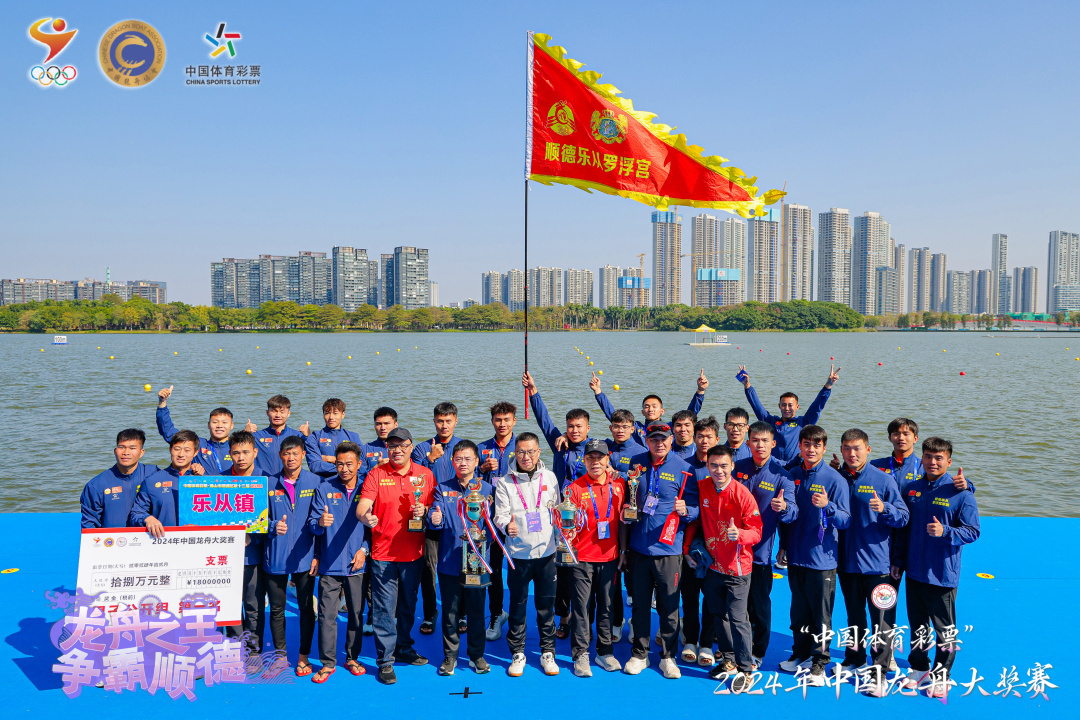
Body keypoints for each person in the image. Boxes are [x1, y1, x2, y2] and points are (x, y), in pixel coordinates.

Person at [891, 437, 979, 698]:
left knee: (944, 629)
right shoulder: (912, 489)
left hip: (942, 573)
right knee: (917, 624)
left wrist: (946, 531)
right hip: (914, 571)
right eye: (928, 457)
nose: (932, 462)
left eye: (939, 458)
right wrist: (898, 560)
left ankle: (942, 675)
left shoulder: (961, 493)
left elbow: (973, 531)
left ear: (948, 461)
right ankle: (919, 668)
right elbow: (903, 530)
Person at [357, 428, 435, 684]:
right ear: (386, 449)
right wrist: (365, 517)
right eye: (392, 446)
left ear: (412, 447)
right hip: (384, 554)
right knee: (383, 609)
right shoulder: (377, 474)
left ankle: (403, 646)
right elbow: (363, 506)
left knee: (408, 605)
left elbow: (435, 508)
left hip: (414, 554)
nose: (397, 450)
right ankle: (385, 660)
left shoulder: (425, 475)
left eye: (402, 445)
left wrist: (425, 511)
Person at [834, 428, 908, 697]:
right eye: (846, 448)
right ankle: (854, 659)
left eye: (857, 448)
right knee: (854, 616)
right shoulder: (837, 477)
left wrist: (885, 509)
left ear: (868, 450)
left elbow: (903, 517)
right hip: (847, 563)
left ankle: (879, 672)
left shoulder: (883, 480)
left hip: (878, 566)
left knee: (881, 622)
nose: (851, 453)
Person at [623, 421, 698, 679]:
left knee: (669, 606)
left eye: (663, 439)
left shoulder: (685, 469)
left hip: (668, 550)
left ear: (671, 439)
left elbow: (696, 507)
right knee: (640, 605)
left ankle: (668, 656)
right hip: (639, 549)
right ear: (646, 441)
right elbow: (627, 496)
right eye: (654, 439)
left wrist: (687, 511)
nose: (659, 443)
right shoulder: (636, 463)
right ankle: (639, 654)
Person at [686, 445, 762, 694]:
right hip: (712, 566)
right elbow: (694, 520)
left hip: (737, 569)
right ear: (707, 466)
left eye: (724, 466)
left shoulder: (742, 494)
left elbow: (757, 531)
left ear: (732, 466)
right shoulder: (702, 487)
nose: (719, 470)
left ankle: (746, 670)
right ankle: (728, 660)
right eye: (714, 465)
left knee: (738, 619)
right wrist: (687, 549)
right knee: (718, 614)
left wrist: (740, 534)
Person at [522, 370, 592, 640]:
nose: (574, 431)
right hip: (560, 519)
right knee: (561, 569)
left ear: (587, 428)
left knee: (584, 569)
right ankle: (564, 616)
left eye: (579, 427)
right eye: (570, 426)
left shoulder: (596, 449)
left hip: (586, 518)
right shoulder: (559, 445)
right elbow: (544, 420)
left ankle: (585, 616)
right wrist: (533, 391)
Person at [779, 425, 850, 687]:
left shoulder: (835, 479)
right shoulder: (792, 475)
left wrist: (827, 506)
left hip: (822, 559)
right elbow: (787, 518)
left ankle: (819, 662)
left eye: (817, 445)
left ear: (824, 448)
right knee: (798, 611)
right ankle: (800, 653)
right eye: (807, 444)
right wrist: (784, 545)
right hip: (796, 556)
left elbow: (845, 519)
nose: (811, 449)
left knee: (821, 615)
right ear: (800, 446)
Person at [492, 432, 562, 678]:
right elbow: (499, 515)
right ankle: (518, 653)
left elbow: (557, 510)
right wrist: (506, 526)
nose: (526, 457)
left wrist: (563, 533)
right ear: (515, 454)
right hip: (518, 554)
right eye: (521, 452)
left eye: (531, 451)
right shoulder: (504, 482)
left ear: (538, 452)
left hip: (547, 553)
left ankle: (547, 652)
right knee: (518, 605)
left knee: (546, 606)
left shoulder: (550, 477)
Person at [732, 421, 797, 671]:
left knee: (758, 605)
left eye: (765, 441)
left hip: (759, 553)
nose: (760, 445)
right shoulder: (736, 468)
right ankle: (732, 647)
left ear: (773, 444)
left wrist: (785, 508)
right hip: (731, 549)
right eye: (755, 440)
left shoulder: (782, 476)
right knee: (733, 603)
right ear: (748, 442)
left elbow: (793, 512)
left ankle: (757, 651)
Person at [427, 441, 494, 676]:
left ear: (476, 462)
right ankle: (450, 656)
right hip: (450, 560)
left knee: (476, 610)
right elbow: (435, 514)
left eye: (467, 459)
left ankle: (477, 655)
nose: (463, 463)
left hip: (477, 562)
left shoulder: (487, 490)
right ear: (452, 461)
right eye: (458, 459)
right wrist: (434, 519)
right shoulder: (442, 489)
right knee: (450, 611)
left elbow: (494, 524)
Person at [564, 439, 627, 676]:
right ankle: (581, 654)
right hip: (582, 557)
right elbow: (567, 526)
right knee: (581, 608)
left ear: (607, 459)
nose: (595, 462)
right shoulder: (574, 488)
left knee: (607, 606)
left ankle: (604, 651)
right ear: (585, 460)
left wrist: (623, 551)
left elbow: (624, 522)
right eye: (590, 457)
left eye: (600, 457)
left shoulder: (620, 484)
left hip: (610, 557)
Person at [309, 441, 370, 683]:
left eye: (349, 464)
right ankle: (327, 662)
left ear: (359, 464)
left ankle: (352, 657)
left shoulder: (367, 489)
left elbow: (373, 528)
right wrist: (319, 523)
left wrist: (364, 550)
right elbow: (313, 525)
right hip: (330, 564)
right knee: (327, 615)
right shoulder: (325, 488)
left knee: (356, 614)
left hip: (357, 564)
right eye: (340, 464)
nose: (344, 469)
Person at [264, 435, 322, 677]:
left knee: (306, 609)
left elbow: (319, 522)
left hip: (305, 557)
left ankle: (303, 657)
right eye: (286, 454)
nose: (290, 458)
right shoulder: (268, 483)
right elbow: (256, 519)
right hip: (275, 556)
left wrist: (317, 555)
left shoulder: (315, 481)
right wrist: (272, 526)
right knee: (277, 610)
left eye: (295, 453)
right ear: (280, 455)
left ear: (303, 455)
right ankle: (280, 657)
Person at [412, 402, 463, 637]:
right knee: (429, 567)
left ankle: (460, 611)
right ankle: (430, 612)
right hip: (430, 515)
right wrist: (430, 460)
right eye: (440, 421)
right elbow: (413, 477)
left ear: (456, 421)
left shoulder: (463, 448)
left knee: (460, 562)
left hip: (456, 516)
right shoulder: (422, 449)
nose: (444, 425)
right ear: (434, 421)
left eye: (448, 421)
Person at [221, 430, 268, 657]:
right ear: (229, 454)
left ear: (255, 452)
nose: (241, 457)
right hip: (226, 555)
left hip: (254, 553)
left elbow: (270, 519)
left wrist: (252, 536)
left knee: (253, 604)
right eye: (236, 453)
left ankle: (253, 648)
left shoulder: (265, 480)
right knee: (230, 604)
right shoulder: (219, 481)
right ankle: (234, 644)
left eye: (246, 452)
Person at [737, 364, 841, 464]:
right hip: (775, 466)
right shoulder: (771, 422)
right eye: (783, 405)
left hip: (796, 466)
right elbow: (757, 407)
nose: (787, 408)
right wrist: (747, 386)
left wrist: (828, 386)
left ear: (797, 406)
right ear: (779, 406)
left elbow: (817, 406)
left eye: (790, 405)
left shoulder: (804, 423)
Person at [680, 415, 722, 666]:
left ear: (717, 439)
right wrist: (686, 548)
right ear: (693, 438)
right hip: (690, 540)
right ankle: (690, 639)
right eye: (700, 436)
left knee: (712, 595)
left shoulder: (723, 468)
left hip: (717, 543)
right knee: (690, 593)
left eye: (709, 437)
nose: (704, 440)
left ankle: (707, 643)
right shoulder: (684, 467)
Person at [477, 402, 518, 641]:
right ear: (492, 421)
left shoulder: (522, 446)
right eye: (498, 420)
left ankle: (518, 617)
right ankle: (496, 614)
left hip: (516, 518)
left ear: (514, 421)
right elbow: (469, 480)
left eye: (506, 420)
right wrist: (482, 469)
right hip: (489, 519)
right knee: (493, 568)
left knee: (518, 569)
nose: (502, 424)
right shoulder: (482, 448)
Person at [603, 407, 644, 643]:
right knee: (614, 576)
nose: (620, 430)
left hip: (633, 520)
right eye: (616, 426)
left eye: (625, 427)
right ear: (611, 428)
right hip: (610, 519)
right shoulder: (605, 448)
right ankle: (616, 620)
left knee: (635, 577)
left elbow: (642, 482)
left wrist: (618, 473)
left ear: (633, 428)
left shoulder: (641, 452)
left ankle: (636, 621)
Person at [590, 369, 708, 447]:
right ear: (642, 412)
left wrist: (700, 390)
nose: (650, 409)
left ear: (662, 411)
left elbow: (690, 415)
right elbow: (613, 416)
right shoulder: (636, 428)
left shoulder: (669, 427)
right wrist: (598, 392)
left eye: (654, 406)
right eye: (647, 407)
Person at [870, 417, 973, 495]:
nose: (901, 438)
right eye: (896, 434)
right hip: (885, 515)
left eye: (906, 434)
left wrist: (967, 484)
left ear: (915, 438)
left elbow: (945, 480)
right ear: (890, 438)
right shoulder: (875, 465)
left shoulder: (926, 465)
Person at [81, 428, 158, 529]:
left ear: (141, 452)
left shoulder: (153, 475)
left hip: (148, 536)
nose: (126, 452)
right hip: (112, 537)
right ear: (115, 451)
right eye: (122, 447)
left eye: (132, 448)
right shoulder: (96, 485)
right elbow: (89, 524)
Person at [129, 429, 203, 532]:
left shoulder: (205, 481)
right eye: (177, 449)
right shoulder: (152, 481)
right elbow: (136, 514)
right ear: (170, 449)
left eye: (187, 450)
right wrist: (147, 518)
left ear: (196, 452)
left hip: (197, 539)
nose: (181, 454)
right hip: (163, 539)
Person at [155, 385, 234, 473]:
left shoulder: (237, 446)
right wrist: (162, 403)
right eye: (215, 422)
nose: (219, 426)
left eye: (224, 422)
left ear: (232, 425)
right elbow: (168, 431)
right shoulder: (198, 444)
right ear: (208, 425)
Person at [244, 395, 307, 476]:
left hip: (289, 480)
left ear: (288, 413)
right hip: (264, 480)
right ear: (267, 412)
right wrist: (245, 433)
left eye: (282, 411)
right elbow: (234, 450)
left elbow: (314, 453)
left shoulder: (298, 436)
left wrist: (308, 436)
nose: (278, 415)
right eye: (274, 411)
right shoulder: (256, 436)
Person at [305, 398, 363, 478]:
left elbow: (361, 466)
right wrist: (347, 467)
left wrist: (329, 459)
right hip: (324, 482)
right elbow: (315, 466)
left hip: (348, 482)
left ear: (343, 414)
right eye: (327, 413)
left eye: (335, 413)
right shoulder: (314, 437)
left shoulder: (353, 437)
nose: (331, 417)